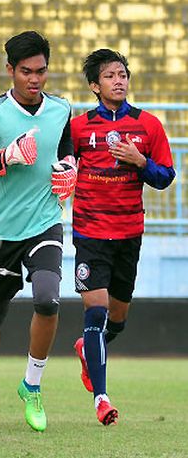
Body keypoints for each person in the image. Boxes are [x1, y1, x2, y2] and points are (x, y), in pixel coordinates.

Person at [0, 31, 76, 433]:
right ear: (11, 70)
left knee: (47, 299)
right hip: (0, 231)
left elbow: (66, 153)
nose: (35, 79)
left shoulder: (62, 110)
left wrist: (69, 172)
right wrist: (2, 156)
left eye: (41, 71)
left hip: (45, 223)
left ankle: (32, 386)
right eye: (26, 72)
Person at [70, 49, 175, 425]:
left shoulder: (149, 126)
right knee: (95, 314)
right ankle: (101, 398)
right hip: (90, 233)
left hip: (129, 233)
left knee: (116, 321)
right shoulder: (79, 128)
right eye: (111, 75)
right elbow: (64, 166)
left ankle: (88, 350)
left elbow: (166, 177)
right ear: (95, 86)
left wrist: (140, 161)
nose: (119, 80)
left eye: (123, 74)